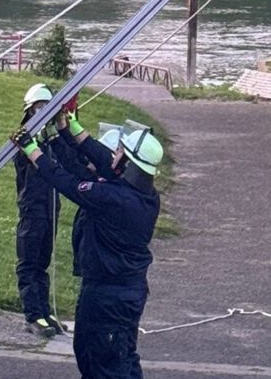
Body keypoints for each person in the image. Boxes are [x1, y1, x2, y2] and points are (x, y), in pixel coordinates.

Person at [12, 112, 163, 379]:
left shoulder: (112, 199)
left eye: (120, 151)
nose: (114, 154)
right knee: (119, 357)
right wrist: (68, 127)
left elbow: (66, 182)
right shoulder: (145, 195)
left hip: (107, 297)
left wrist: (32, 149)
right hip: (123, 292)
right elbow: (105, 161)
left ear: (129, 164)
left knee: (103, 365)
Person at [13, 83, 68, 337]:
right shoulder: (25, 141)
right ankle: (33, 315)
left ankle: (45, 311)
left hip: (50, 207)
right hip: (32, 208)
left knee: (43, 262)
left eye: (47, 107)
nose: (44, 111)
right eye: (39, 107)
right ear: (30, 110)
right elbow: (30, 165)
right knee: (29, 262)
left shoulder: (50, 140)